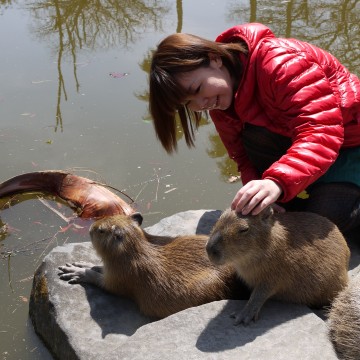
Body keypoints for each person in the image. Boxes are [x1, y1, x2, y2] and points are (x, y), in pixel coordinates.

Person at [149, 22, 360, 235]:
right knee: (284, 220)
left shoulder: (280, 62)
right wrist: (258, 193)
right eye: (188, 103)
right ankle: (297, 200)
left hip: (350, 146)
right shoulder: (220, 102)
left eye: (197, 89)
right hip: (306, 151)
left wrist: (276, 182)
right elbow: (243, 157)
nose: (200, 104)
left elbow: (321, 130)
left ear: (214, 58)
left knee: (322, 218)